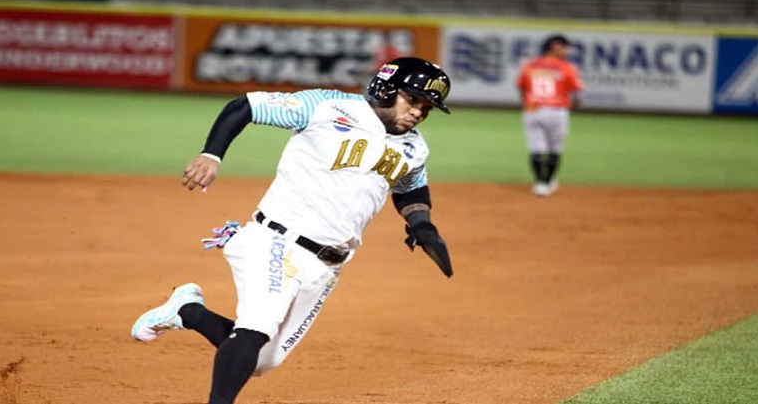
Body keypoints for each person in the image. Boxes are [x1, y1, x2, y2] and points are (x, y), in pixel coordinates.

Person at [130, 57, 455, 404]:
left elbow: (410, 187)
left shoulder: (414, 147)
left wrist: (423, 225)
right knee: (255, 330)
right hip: (276, 239)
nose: (420, 112)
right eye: (414, 100)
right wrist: (212, 155)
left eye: (428, 107)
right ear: (387, 89)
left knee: (262, 360)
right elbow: (245, 106)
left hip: (329, 264)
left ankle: (188, 311)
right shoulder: (327, 106)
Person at [515, 34, 584, 197]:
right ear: (556, 48)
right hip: (557, 111)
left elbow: (521, 87)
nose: (567, 51)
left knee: (536, 148)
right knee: (555, 148)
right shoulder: (566, 67)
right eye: (565, 48)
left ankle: (540, 184)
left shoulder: (530, 66)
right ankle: (548, 180)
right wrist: (573, 107)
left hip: (533, 110)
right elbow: (577, 94)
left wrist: (527, 104)